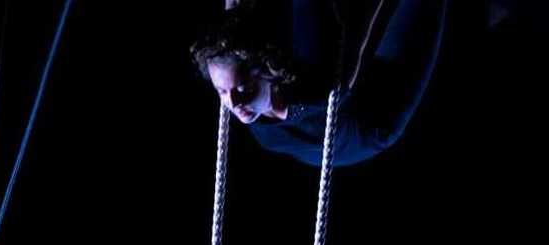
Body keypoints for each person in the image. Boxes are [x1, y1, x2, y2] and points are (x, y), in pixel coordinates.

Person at [190, 0, 448, 167]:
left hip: (329, 101)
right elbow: (364, 16)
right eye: (221, 91)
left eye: (243, 88)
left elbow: (234, 12)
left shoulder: (308, 77)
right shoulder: (318, 89)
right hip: (372, 121)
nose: (233, 103)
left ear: (268, 73)